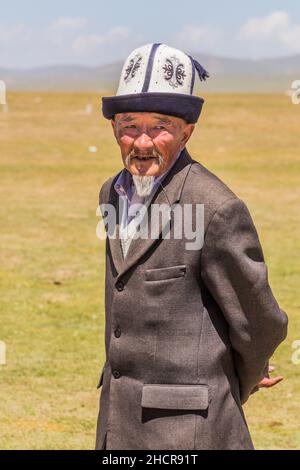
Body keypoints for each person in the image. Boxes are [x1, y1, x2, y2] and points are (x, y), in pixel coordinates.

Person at [95, 43, 288, 450]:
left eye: (160, 125)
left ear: (187, 131)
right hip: (117, 425)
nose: (142, 142)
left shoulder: (216, 207)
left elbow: (260, 322)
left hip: (191, 431)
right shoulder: (111, 192)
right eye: (130, 125)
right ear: (114, 128)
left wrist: (229, 386)